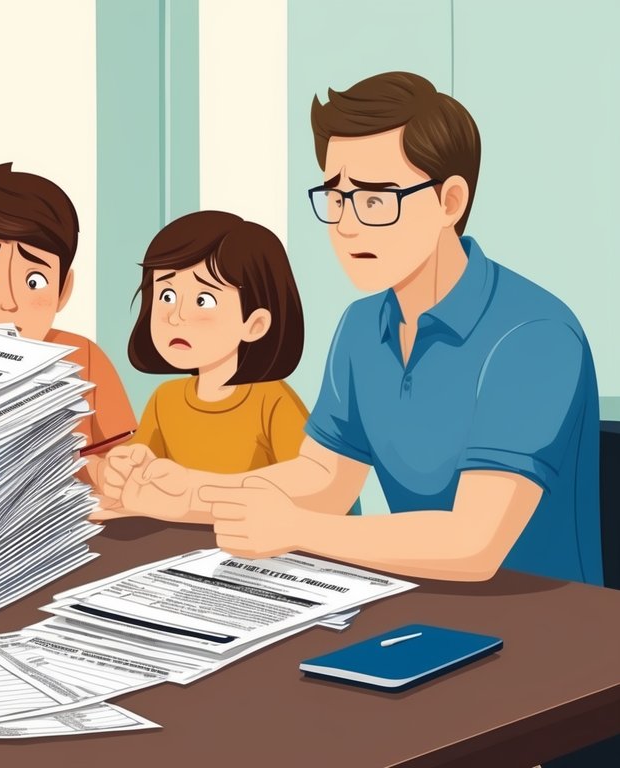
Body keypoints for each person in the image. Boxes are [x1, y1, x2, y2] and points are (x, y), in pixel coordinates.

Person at [102, 72, 601, 585]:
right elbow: (323, 478)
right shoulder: (363, 325)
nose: (346, 225)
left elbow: (472, 543)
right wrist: (184, 492)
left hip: (544, 621)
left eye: (375, 199)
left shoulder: (534, 334)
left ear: (450, 202)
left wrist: (298, 529)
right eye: (336, 198)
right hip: (406, 594)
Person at [91, 210, 305, 524]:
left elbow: (312, 487)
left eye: (204, 299)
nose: (175, 316)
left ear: (255, 324)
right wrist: (120, 469)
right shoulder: (165, 399)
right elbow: (138, 475)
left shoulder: (272, 402)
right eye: (166, 294)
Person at [0, 162, 137, 485]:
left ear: (63, 290)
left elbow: (121, 456)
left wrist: (111, 471)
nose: (10, 302)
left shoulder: (84, 359)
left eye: (34, 282)